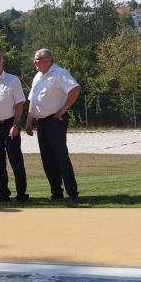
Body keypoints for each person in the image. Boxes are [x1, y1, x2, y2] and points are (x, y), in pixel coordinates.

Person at [25, 48, 81, 202]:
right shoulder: (37, 76)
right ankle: (56, 192)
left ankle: (72, 192)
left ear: (48, 60)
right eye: (35, 59)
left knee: (61, 156)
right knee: (47, 159)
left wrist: (63, 109)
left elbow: (75, 89)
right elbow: (33, 101)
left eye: (38, 59)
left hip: (56, 121)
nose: (35, 62)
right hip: (41, 123)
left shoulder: (59, 73)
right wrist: (29, 122)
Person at [0, 49, 29, 203]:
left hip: (9, 125)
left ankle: (21, 194)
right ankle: (2, 194)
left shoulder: (12, 80)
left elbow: (19, 104)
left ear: (2, 63)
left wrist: (16, 125)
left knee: (16, 161)